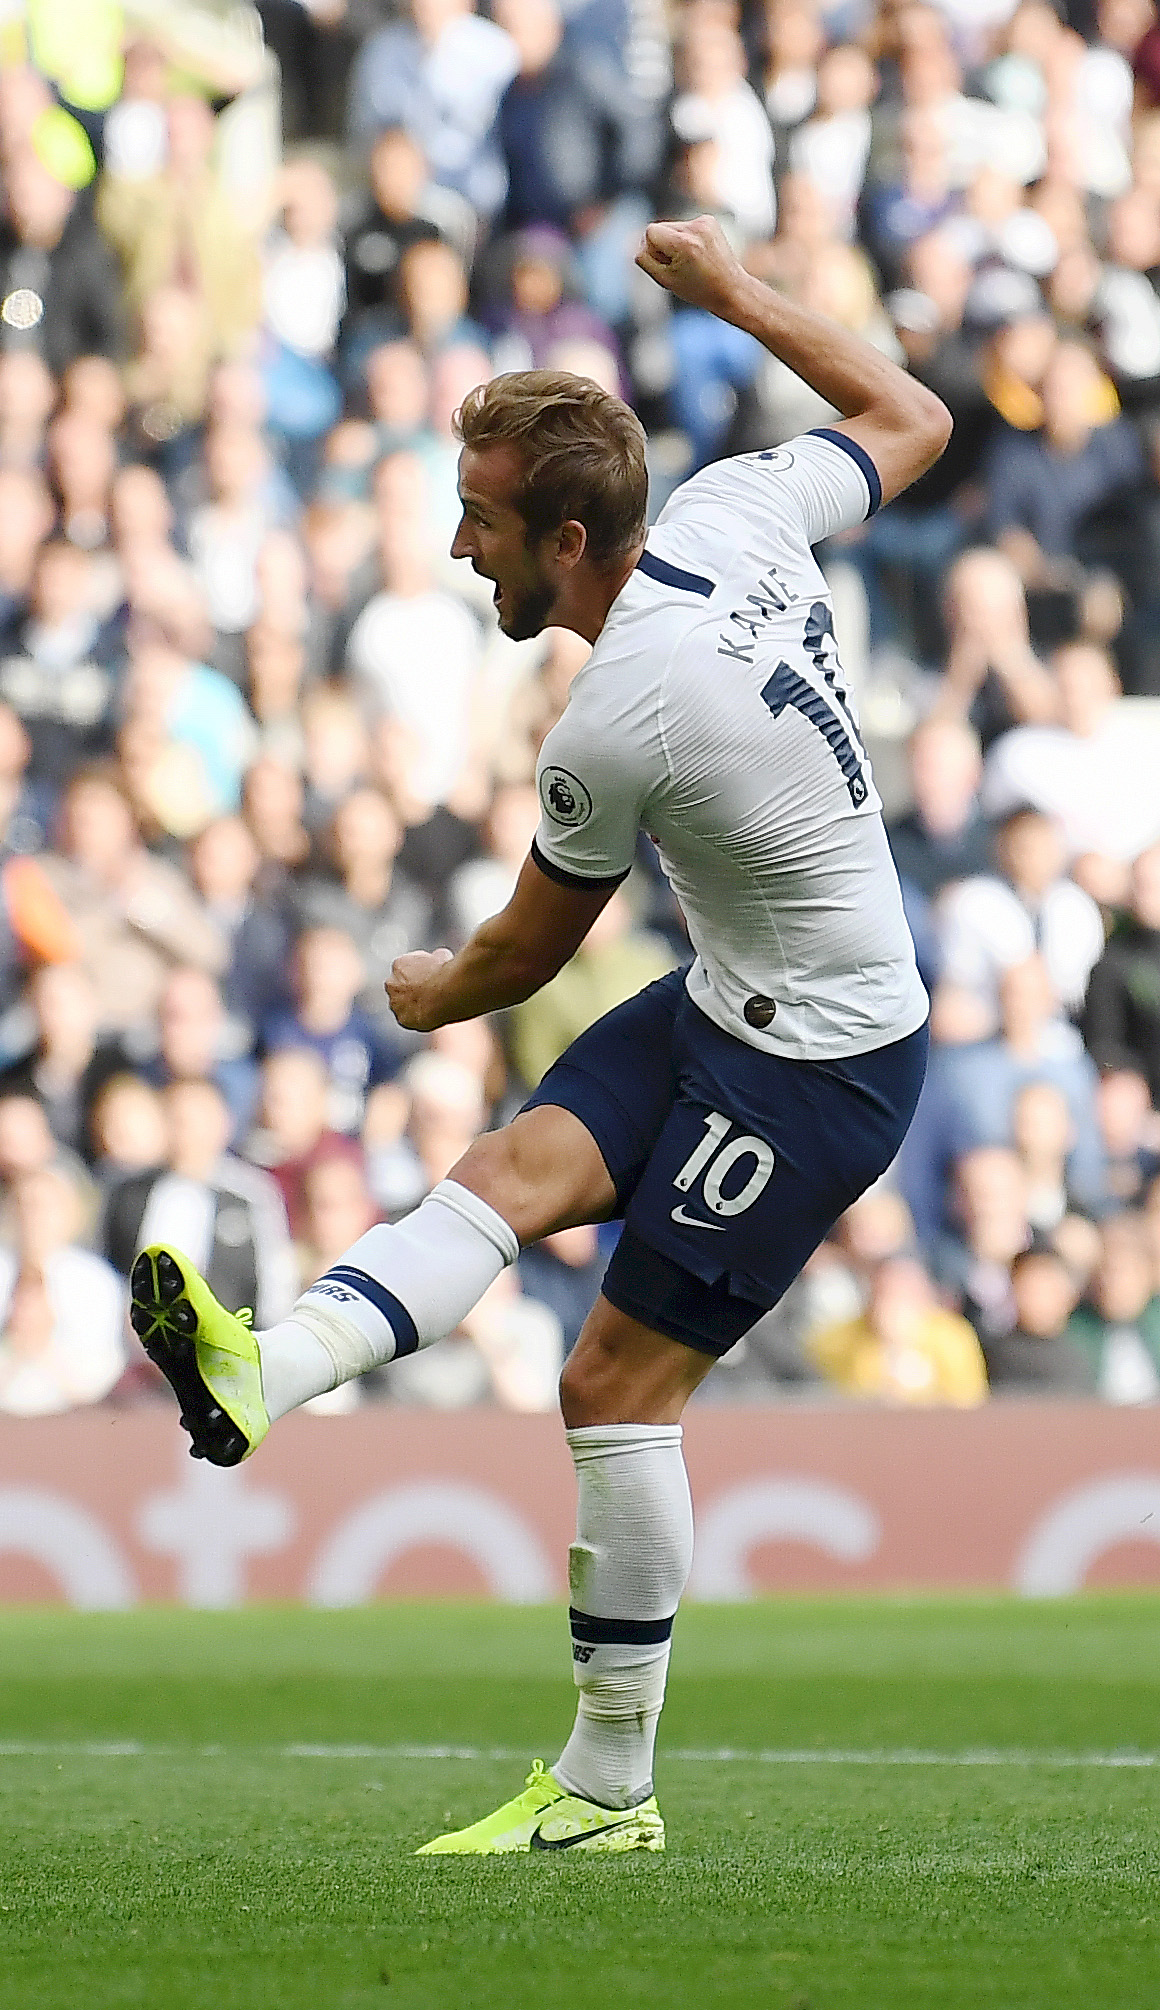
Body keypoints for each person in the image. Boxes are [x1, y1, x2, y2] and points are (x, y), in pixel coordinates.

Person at [131, 217, 951, 1856]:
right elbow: (915, 420)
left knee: (610, 1384)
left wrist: (431, 987)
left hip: (824, 1061)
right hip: (739, 986)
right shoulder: (736, 503)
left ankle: (608, 1785)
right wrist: (734, 299)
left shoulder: (615, 719)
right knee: (502, 1170)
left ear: (568, 540)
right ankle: (257, 1373)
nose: (458, 549)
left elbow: (523, 950)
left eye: (483, 523)